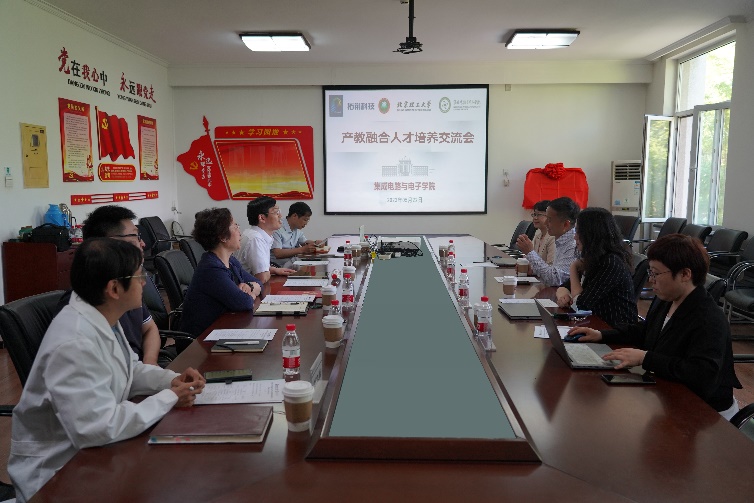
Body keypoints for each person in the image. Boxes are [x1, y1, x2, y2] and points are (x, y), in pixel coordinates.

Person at [8, 239, 205, 502]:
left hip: (95, 453)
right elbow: (98, 427)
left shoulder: (101, 315)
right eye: (139, 276)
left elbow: (130, 368)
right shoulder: (74, 341)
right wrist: (170, 397)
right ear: (114, 288)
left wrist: (171, 381)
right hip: (57, 473)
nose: (145, 283)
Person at [568, 234, 742, 419]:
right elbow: (646, 331)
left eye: (656, 273)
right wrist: (602, 335)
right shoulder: (667, 299)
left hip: (706, 411)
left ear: (685, 274)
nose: (651, 280)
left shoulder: (708, 318)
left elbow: (701, 374)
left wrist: (645, 358)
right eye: (650, 272)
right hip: (669, 393)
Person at [57, 205, 161, 365]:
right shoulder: (85, 311)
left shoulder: (125, 286)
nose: (143, 244)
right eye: (135, 236)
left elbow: (149, 329)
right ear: (111, 243)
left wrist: (151, 364)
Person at [179, 208, 264, 337]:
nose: (239, 231)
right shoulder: (211, 269)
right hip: (201, 340)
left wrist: (250, 287)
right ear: (223, 237)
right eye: (235, 226)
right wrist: (250, 294)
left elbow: (259, 283)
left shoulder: (231, 261)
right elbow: (244, 302)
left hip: (223, 329)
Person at [555, 207, 637, 327]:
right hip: (595, 324)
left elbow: (580, 306)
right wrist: (563, 296)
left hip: (614, 330)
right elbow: (563, 287)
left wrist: (573, 268)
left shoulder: (611, 262)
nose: (575, 237)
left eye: (578, 232)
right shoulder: (593, 258)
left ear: (592, 234)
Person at [516, 197, 580, 286]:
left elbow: (555, 279)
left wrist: (530, 253)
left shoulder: (573, 245)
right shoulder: (560, 240)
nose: (546, 223)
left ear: (565, 224)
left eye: (549, 220)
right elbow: (552, 270)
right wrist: (533, 270)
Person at [235, 196, 296, 283]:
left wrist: (274, 270)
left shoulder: (256, 235)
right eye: (276, 212)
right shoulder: (255, 239)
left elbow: (258, 268)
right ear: (262, 218)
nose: (280, 215)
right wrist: (267, 272)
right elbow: (262, 278)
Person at [272, 202, 322, 267]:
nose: (306, 223)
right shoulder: (277, 227)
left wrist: (315, 243)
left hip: (293, 263)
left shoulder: (296, 229)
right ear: (294, 216)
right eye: (305, 220)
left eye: (307, 220)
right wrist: (302, 249)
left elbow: (304, 242)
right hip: (278, 267)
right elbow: (278, 253)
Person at [530, 200, 556, 265]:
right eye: (534, 214)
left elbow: (550, 266)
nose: (535, 218)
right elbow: (535, 262)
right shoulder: (538, 237)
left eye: (539, 215)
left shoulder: (553, 238)